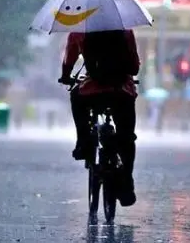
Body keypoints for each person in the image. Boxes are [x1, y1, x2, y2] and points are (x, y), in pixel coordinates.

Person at [59, 30, 140, 207]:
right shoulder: (126, 32)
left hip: (91, 92)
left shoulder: (79, 32)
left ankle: (83, 141)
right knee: (127, 137)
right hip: (121, 92)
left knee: (76, 97)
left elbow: (68, 62)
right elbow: (134, 67)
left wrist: (66, 77)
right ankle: (126, 182)